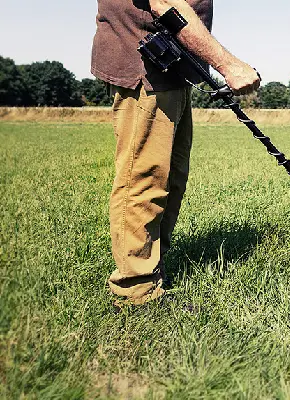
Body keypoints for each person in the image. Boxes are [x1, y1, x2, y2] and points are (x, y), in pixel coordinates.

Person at [91, 0, 260, 305]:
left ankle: (152, 268)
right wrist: (229, 65)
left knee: (170, 176)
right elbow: (164, 2)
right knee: (144, 178)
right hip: (144, 67)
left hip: (171, 68)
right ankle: (137, 291)